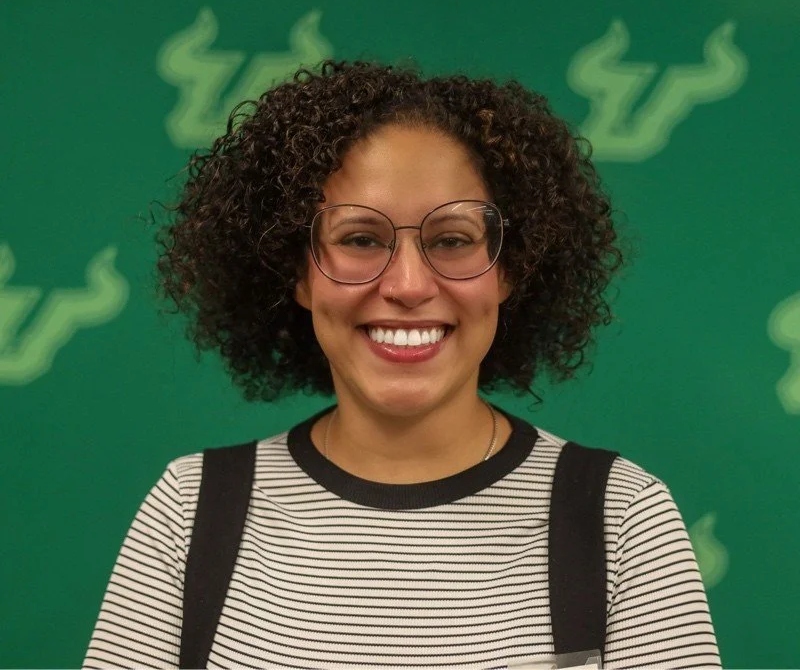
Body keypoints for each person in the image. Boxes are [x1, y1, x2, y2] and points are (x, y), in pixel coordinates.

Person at [83, 60, 721, 669]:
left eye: (453, 240)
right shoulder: (191, 508)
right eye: (361, 239)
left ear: (509, 271)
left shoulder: (620, 517)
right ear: (297, 273)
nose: (409, 285)